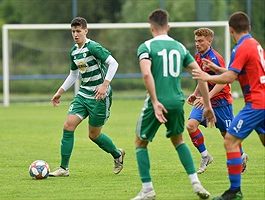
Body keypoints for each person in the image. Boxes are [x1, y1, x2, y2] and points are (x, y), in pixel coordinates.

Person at [131, 9, 216, 200]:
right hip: (178, 102)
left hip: (159, 100)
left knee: (140, 143)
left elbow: (146, 74)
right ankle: (196, 183)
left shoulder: (146, 46)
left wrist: (154, 101)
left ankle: (147, 189)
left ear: (151, 27)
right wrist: (208, 106)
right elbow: (200, 75)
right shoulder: (180, 47)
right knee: (179, 140)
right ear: (168, 26)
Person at [192, 12, 265, 200]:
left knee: (230, 140)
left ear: (231, 30)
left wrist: (208, 76)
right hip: (261, 100)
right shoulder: (255, 44)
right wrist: (217, 70)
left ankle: (234, 191)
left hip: (256, 104)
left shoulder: (241, 47)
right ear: (248, 28)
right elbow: (238, 72)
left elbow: (230, 78)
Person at [49, 17, 125, 177]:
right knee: (68, 126)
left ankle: (117, 154)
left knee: (94, 135)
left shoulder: (93, 47)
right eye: (73, 31)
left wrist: (104, 85)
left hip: (99, 96)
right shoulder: (74, 52)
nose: (75, 34)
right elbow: (73, 74)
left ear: (85, 31)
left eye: (78, 31)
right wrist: (60, 91)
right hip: (83, 94)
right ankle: (64, 168)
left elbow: (114, 63)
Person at [186, 28, 248, 174]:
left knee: (227, 136)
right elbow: (202, 79)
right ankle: (205, 156)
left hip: (221, 103)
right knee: (190, 126)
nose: (197, 44)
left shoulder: (215, 58)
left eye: (200, 41)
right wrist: (196, 94)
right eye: (196, 41)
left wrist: (207, 97)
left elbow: (223, 82)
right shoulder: (198, 57)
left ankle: (241, 156)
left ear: (209, 41)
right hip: (205, 100)